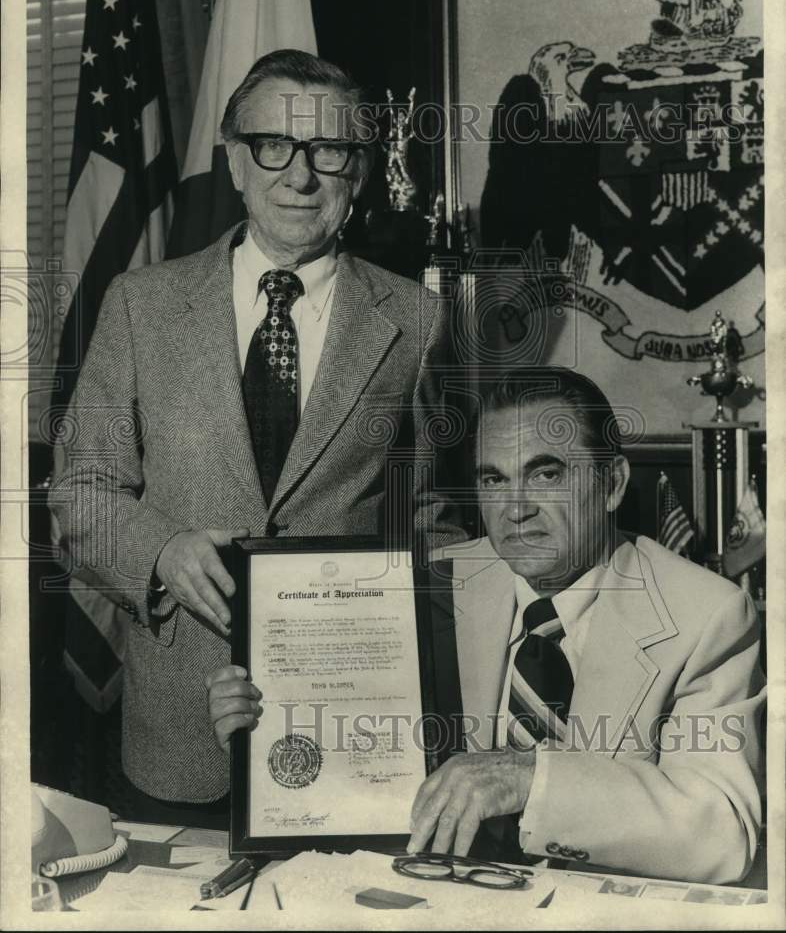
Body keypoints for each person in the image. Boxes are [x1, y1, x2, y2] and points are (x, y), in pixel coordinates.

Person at [50, 49, 465, 817]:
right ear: (236, 162)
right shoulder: (141, 305)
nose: (299, 177)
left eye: (328, 151)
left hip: (350, 733)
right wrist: (162, 552)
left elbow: (426, 517)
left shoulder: (418, 320)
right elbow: (81, 495)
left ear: (359, 172)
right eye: (273, 146)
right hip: (178, 736)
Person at [210, 366, 765, 884]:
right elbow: (364, 769)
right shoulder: (426, 586)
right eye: (494, 480)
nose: (515, 508)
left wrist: (531, 778)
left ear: (613, 483)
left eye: (546, 473)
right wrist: (269, 725)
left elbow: (723, 832)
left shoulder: (705, 616)